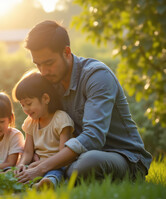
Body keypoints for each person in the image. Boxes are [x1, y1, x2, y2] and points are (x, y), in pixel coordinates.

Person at [16, 20, 152, 183]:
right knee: (68, 164)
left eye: (49, 63)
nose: (43, 72)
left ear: (66, 52)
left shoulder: (97, 76)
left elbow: (93, 137)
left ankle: (56, 176)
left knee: (86, 163)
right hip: (78, 155)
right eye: (38, 65)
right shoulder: (51, 82)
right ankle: (55, 178)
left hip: (124, 157)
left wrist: (42, 167)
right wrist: (38, 156)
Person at [12, 70, 74, 189]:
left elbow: (63, 154)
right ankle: (33, 184)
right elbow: (28, 152)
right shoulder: (30, 122)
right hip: (36, 165)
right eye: (22, 105)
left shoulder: (60, 119)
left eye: (29, 104)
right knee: (22, 174)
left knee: (55, 173)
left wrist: (40, 165)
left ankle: (48, 183)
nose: (25, 109)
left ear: (45, 98)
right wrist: (21, 164)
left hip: (56, 164)